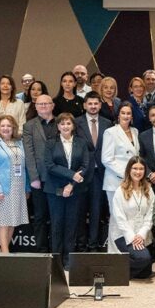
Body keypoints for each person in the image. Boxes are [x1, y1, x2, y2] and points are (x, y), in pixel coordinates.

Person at [45, 113, 88, 260]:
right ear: (58, 126)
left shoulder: (81, 143)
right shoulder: (50, 143)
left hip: (75, 190)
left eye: (68, 123)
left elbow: (85, 166)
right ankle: (56, 260)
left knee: (72, 225)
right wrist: (72, 175)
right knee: (56, 225)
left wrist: (71, 184)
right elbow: (50, 166)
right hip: (55, 189)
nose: (65, 126)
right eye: (62, 123)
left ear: (73, 126)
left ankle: (68, 260)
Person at [0, 115, 31, 254]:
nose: (6, 128)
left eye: (9, 126)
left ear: (13, 128)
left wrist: (27, 188)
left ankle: (2, 250)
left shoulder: (19, 142)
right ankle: (5, 254)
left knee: (13, 220)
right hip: (3, 187)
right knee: (3, 221)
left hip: (19, 186)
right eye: (3, 126)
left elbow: (25, 167)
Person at [77, 92, 113, 252]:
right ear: (84, 105)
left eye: (96, 104)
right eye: (90, 103)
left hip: (100, 174)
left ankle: (93, 246)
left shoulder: (108, 123)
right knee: (79, 211)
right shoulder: (76, 122)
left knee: (96, 211)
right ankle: (81, 246)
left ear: (100, 105)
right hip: (80, 173)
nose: (93, 106)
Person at [23, 95, 58, 253]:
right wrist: (34, 177)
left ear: (53, 105)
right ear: (35, 106)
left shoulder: (61, 123)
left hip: (58, 179)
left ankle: (56, 250)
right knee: (40, 216)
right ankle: (42, 250)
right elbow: (29, 154)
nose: (43, 106)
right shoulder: (29, 126)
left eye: (46, 103)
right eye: (40, 104)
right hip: (39, 179)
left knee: (57, 216)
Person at [109, 157, 154, 278]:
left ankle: (124, 266)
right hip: (124, 235)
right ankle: (115, 272)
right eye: (135, 168)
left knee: (145, 273)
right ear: (129, 170)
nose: (138, 172)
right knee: (144, 259)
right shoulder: (120, 191)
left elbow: (150, 215)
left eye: (141, 169)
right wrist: (133, 237)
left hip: (142, 235)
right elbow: (119, 218)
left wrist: (142, 234)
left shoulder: (149, 189)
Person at [101, 102, 140, 225]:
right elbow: (106, 159)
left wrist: (134, 175)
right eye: (123, 113)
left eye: (129, 113)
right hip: (116, 180)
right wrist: (126, 174)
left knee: (130, 217)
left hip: (133, 180)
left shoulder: (135, 131)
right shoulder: (110, 132)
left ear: (132, 116)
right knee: (117, 218)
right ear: (118, 115)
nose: (126, 116)